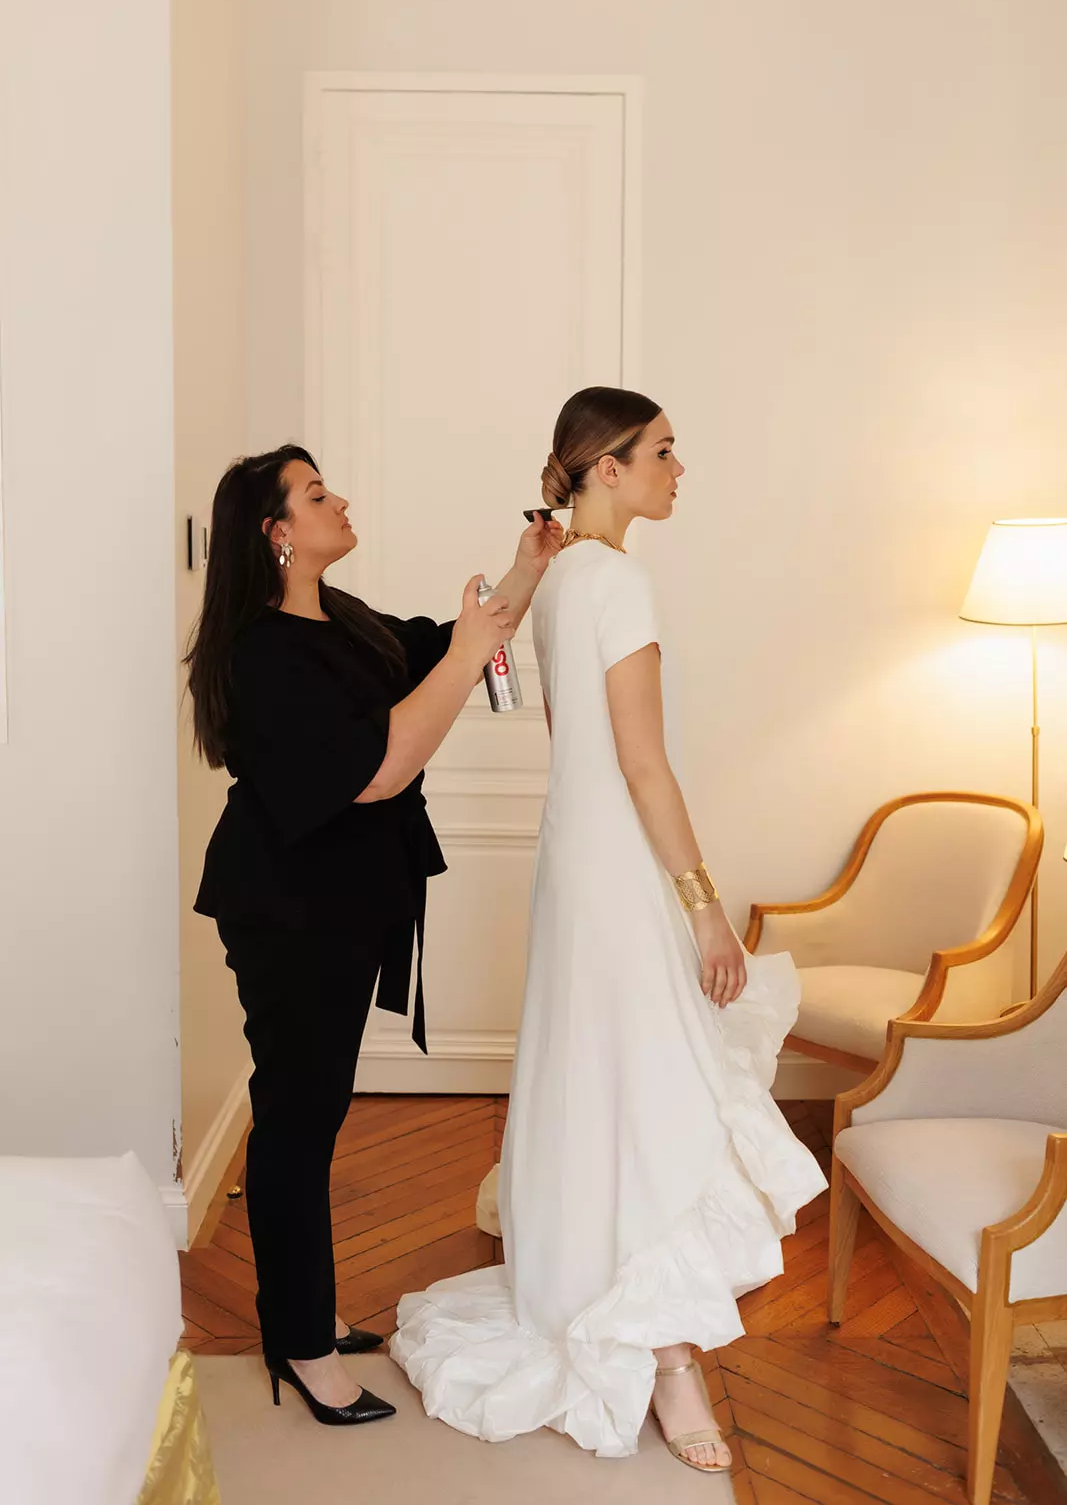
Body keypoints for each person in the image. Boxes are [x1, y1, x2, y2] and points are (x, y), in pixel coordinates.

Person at [391, 389, 827, 1472]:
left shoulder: (560, 579)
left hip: (570, 861)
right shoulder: (618, 578)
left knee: (607, 1078)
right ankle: (669, 1357)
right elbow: (643, 765)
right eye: (663, 452)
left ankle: (607, 1292)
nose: (680, 469)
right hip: (619, 870)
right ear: (604, 467)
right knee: (651, 1090)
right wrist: (703, 908)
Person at [185, 443, 562, 1428]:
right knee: (297, 1121)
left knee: (314, 1113)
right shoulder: (259, 653)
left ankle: (301, 1314)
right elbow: (378, 770)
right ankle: (301, 1341)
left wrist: (525, 569)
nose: (338, 500)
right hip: (286, 912)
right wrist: (465, 643)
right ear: (276, 535)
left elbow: (459, 646)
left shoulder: (345, 621)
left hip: (343, 901)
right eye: (315, 494)